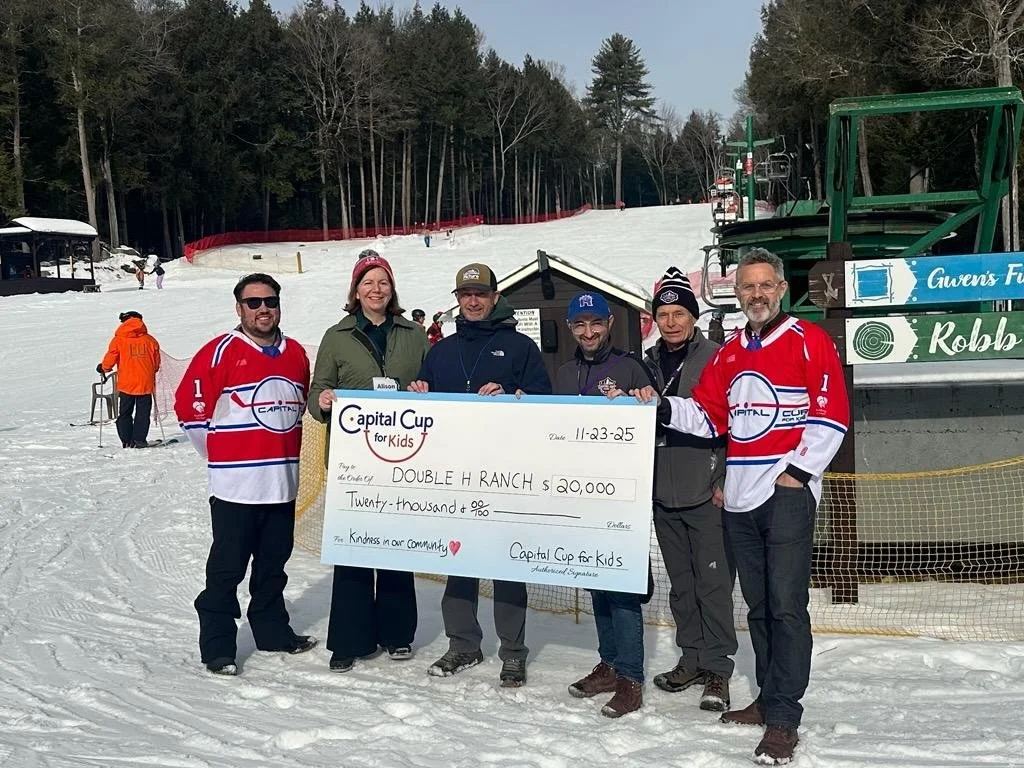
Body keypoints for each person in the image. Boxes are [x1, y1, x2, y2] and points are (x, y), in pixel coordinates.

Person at [616, 249, 849, 765]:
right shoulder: (730, 353)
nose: (757, 294)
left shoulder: (809, 341)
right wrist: (658, 404)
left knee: (787, 606)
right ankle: (768, 698)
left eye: (765, 285)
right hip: (741, 500)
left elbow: (832, 414)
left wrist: (797, 473)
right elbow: (707, 416)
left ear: (782, 288)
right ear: (737, 293)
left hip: (785, 496)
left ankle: (784, 717)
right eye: (747, 287)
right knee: (760, 606)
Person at [408, 262, 551, 687]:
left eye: (481, 294)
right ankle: (463, 646)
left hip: (506, 474)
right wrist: (419, 394)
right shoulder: (440, 351)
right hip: (453, 477)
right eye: (465, 295)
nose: (473, 301)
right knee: (459, 562)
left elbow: (546, 401)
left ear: (494, 298)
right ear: (457, 301)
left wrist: (515, 397)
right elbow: (424, 408)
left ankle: (513, 652)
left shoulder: (520, 347)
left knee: (506, 562)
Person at [174, 273, 316, 676]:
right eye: (253, 303)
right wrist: (221, 456)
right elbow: (190, 408)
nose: (262, 309)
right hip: (236, 487)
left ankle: (272, 632)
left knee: (273, 566)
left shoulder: (295, 354)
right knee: (226, 570)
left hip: (281, 484)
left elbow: (297, 406)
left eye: (269, 301)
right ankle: (218, 646)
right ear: (239, 308)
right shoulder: (220, 351)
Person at [307, 250, 429, 673]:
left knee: (396, 546)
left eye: (383, 283)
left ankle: (397, 634)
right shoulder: (337, 336)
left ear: (392, 289)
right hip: (352, 461)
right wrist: (322, 400)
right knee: (354, 548)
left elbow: (434, 385)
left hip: (402, 457)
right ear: (355, 291)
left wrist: (424, 390)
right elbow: (317, 390)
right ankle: (349, 638)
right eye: (367, 283)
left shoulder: (414, 334)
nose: (376, 290)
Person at [642, 268, 735, 713]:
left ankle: (718, 665)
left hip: (705, 489)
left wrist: (724, 478)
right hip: (663, 492)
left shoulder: (717, 356)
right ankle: (692, 657)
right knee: (681, 585)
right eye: (664, 314)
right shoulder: (644, 363)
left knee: (713, 583)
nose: (672, 322)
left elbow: (737, 423)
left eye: (680, 313)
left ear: (693, 317)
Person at [556, 291, 652, 718]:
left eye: (596, 323)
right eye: (580, 325)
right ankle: (609, 663)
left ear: (610, 323)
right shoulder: (563, 373)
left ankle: (630, 676)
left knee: (623, 587)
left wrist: (647, 397)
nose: (588, 332)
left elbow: (655, 418)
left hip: (621, 498)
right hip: (580, 496)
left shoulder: (630, 367)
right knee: (595, 579)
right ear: (571, 328)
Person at [97, 311, 161, 448]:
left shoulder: (119, 340)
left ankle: (126, 440)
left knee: (125, 412)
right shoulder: (150, 340)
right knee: (142, 413)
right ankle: (139, 440)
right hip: (145, 383)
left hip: (126, 384)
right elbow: (156, 364)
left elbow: (111, 357)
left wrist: (104, 368)